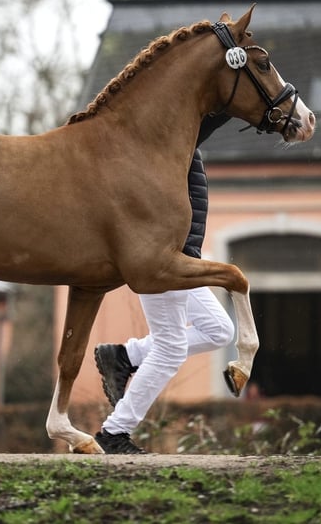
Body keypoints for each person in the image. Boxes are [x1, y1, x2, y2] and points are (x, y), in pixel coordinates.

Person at [94, 113, 234, 454]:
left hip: (184, 257)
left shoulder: (175, 140)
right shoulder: (160, 140)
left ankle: (128, 354)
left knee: (219, 330)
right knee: (170, 348)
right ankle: (114, 433)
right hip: (165, 256)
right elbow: (207, 121)